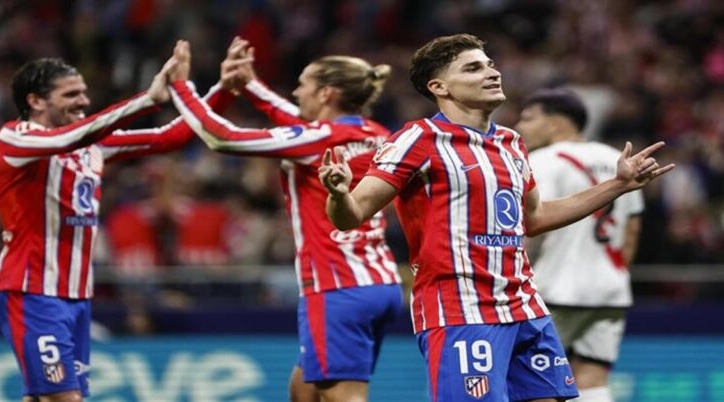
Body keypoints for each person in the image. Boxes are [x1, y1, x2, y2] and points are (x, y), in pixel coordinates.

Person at [319, 34, 674, 402]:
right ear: (439, 87)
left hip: (524, 304)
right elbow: (352, 214)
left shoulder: (511, 142)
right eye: (474, 68)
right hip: (460, 308)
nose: (492, 72)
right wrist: (339, 194)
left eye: (490, 64)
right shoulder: (418, 138)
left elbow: (534, 217)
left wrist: (617, 185)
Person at [0, 42, 236, 402]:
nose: (83, 101)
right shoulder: (14, 138)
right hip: (31, 291)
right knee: (64, 398)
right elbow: (72, 136)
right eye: (70, 94)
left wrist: (224, 90)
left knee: (44, 397)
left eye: (84, 93)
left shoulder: (94, 146)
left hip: (76, 296)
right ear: (36, 101)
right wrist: (147, 99)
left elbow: (172, 136)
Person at [166, 39, 403, 402]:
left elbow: (221, 137)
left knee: (344, 394)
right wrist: (250, 84)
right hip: (379, 283)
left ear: (326, 93)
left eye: (303, 84)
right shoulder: (377, 136)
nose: (295, 91)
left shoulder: (318, 138)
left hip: (337, 285)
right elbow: (299, 125)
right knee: (302, 390)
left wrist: (181, 88)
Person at [515, 89, 643, 402]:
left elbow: (533, 226)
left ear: (556, 123)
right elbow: (631, 230)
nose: (520, 125)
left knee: (534, 382)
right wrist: (614, 274)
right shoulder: (618, 159)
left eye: (529, 118)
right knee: (592, 380)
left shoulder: (541, 161)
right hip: (611, 289)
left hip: (555, 288)